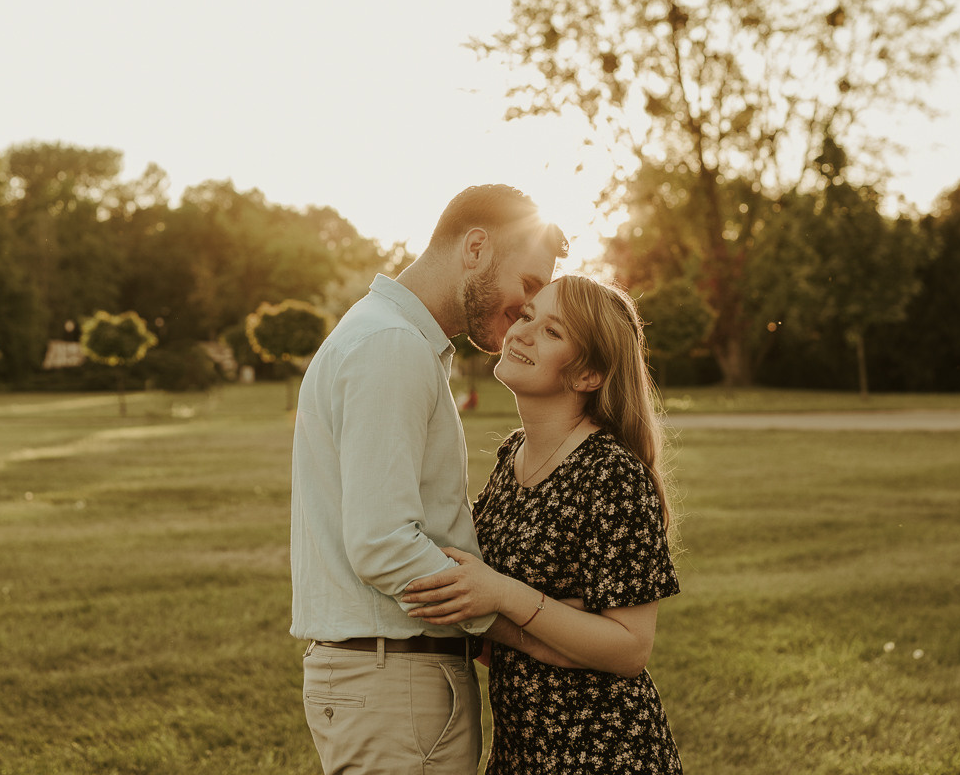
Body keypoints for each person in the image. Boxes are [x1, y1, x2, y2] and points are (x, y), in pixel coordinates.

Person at [289, 184, 568, 774]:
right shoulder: (391, 346)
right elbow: (385, 544)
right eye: (529, 286)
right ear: (475, 247)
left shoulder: (392, 337)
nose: (527, 310)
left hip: (393, 678)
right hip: (396, 681)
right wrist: (527, 637)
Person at [404, 274, 683, 774]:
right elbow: (489, 620)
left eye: (553, 332)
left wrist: (504, 595)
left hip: (604, 752)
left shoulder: (610, 473)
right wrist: (555, 621)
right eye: (528, 315)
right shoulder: (513, 452)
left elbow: (629, 648)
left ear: (588, 375)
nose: (522, 332)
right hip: (522, 751)